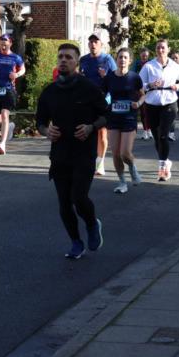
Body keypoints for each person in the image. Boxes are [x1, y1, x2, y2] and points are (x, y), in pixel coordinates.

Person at [36, 43, 108, 259]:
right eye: (60, 57)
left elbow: (106, 114)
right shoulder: (49, 92)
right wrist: (46, 131)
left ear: (77, 61)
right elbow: (40, 122)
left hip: (83, 153)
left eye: (68, 57)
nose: (63, 60)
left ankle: (92, 223)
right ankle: (76, 242)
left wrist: (91, 127)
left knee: (78, 197)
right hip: (59, 154)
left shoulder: (89, 88)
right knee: (64, 203)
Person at [138, 39, 179, 181]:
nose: (160, 50)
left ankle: (162, 168)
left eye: (163, 48)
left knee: (163, 135)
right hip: (152, 103)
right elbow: (139, 84)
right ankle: (165, 160)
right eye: (158, 48)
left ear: (168, 49)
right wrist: (150, 84)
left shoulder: (174, 66)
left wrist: (178, 86)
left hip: (169, 102)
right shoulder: (149, 66)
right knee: (156, 137)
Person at [101, 48, 144, 193]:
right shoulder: (109, 77)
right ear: (116, 59)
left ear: (130, 60)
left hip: (129, 117)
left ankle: (132, 168)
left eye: (125, 57)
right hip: (113, 117)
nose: (122, 60)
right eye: (120, 57)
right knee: (115, 153)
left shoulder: (134, 77)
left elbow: (142, 95)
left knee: (125, 153)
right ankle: (122, 182)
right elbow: (102, 94)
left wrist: (138, 104)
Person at [78, 34, 117, 173]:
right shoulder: (83, 60)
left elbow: (116, 78)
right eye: (91, 42)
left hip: (103, 100)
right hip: (87, 101)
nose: (93, 44)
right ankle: (90, 160)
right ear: (88, 44)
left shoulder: (107, 59)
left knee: (102, 132)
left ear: (101, 44)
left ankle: (100, 163)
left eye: (96, 42)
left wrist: (105, 77)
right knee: (86, 130)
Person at [0, 34, 24, 155]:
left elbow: (23, 69)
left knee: (4, 114)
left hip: (8, 90)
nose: (2, 45)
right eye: (1, 42)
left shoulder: (15, 57)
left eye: (5, 42)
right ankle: (10, 127)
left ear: (10, 43)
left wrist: (16, 75)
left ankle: (2, 144)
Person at [131, 48, 153, 140]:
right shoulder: (136, 63)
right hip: (139, 90)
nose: (144, 57)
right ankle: (145, 131)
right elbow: (132, 74)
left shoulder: (151, 63)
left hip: (149, 90)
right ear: (140, 55)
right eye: (143, 55)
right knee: (143, 112)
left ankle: (150, 130)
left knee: (149, 111)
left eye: (146, 56)